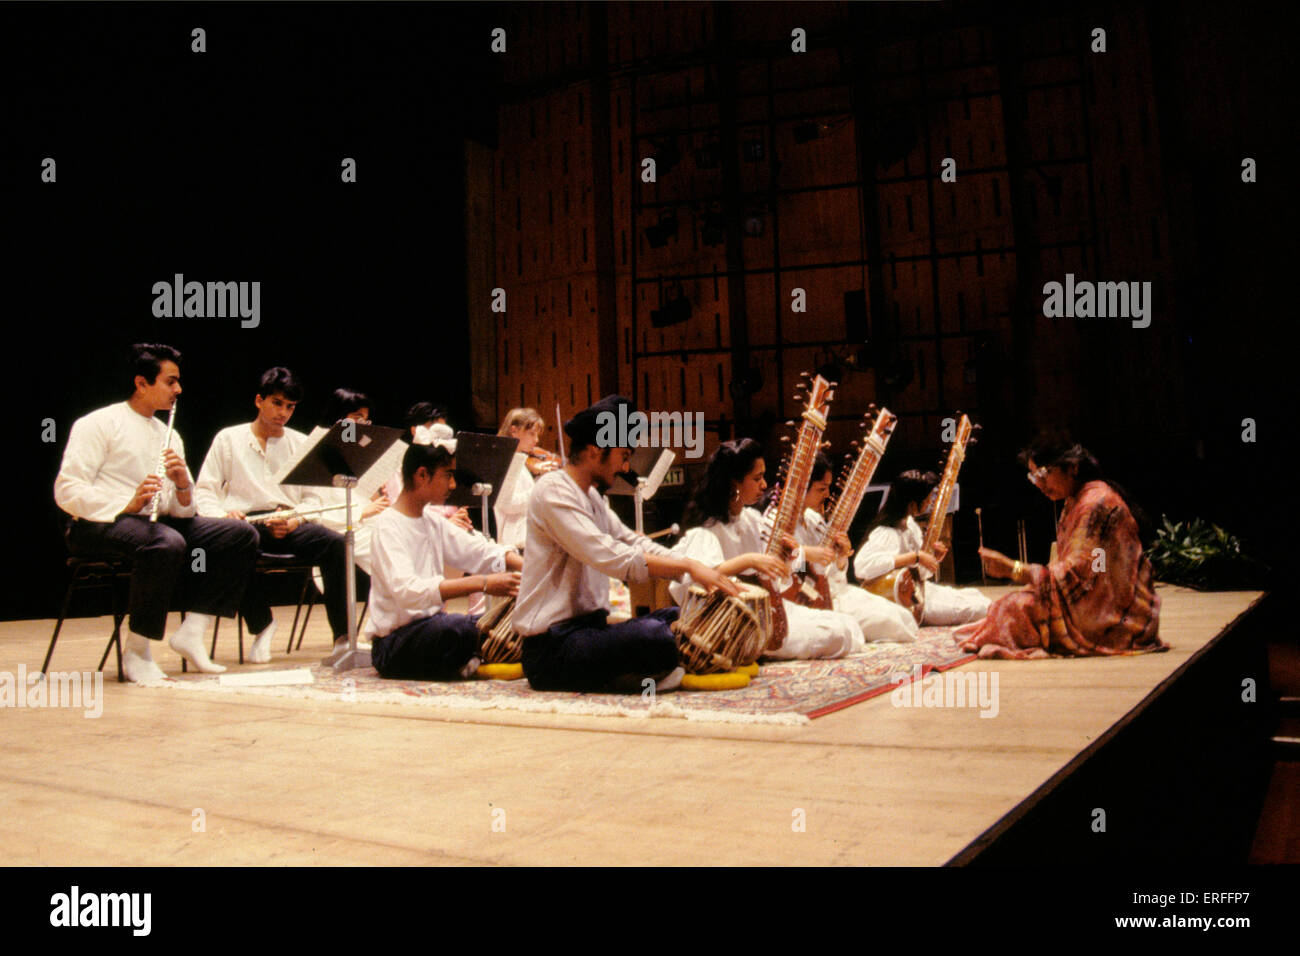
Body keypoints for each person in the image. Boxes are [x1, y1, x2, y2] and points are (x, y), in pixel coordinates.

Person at [54, 343, 258, 681]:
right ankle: (137, 650)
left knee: (239, 534)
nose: (178, 389)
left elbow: (182, 512)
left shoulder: (169, 435)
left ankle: (192, 632)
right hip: (95, 523)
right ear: (141, 383)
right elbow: (67, 490)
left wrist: (181, 485)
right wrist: (125, 505)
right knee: (166, 543)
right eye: (171, 381)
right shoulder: (98, 423)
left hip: (154, 526)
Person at [513, 395, 739, 692]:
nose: (625, 466)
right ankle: (644, 674)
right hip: (551, 649)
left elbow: (632, 542)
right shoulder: (552, 490)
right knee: (653, 637)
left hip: (587, 633)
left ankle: (640, 673)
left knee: (679, 617)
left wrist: (698, 567)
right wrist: (687, 566)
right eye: (623, 454)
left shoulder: (592, 496)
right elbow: (612, 556)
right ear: (595, 451)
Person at [954, 433, 1165, 659]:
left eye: (1044, 474)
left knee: (1013, 608)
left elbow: (1081, 573)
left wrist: (1014, 569)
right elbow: (1082, 570)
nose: (1040, 485)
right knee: (1007, 606)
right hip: (1094, 598)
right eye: (1034, 477)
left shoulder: (1096, 503)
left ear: (1072, 467)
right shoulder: (1077, 500)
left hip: (1115, 614)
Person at [194, 367, 350, 662]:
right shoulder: (228, 438)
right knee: (234, 543)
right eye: (277, 403)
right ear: (259, 400)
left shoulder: (301, 442)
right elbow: (204, 490)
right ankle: (263, 624)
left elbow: (314, 497)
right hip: (245, 524)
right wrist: (223, 515)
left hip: (288, 522)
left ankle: (343, 638)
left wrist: (295, 519)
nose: (284, 412)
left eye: (290, 406)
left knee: (336, 544)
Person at [671, 439, 867, 660]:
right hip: (736, 624)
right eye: (757, 478)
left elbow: (778, 578)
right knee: (836, 635)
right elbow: (695, 581)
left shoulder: (753, 520)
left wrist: (786, 559)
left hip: (770, 608)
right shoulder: (706, 529)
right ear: (734, 483)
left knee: (847, 624)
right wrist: (750, 561)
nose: (765, 485)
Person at [367, 437, 524, 680]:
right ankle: (468, 660)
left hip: (430, 630)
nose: (453, 484)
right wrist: (483, 584)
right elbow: (408, 592)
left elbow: (480, 551)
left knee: (498, 621)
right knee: (456, 628)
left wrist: (528, 568)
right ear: (422, 475)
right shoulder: (388, 526)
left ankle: (466, 661)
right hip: (395, 644)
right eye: (447, 475)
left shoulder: (432, 522)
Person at [793, 454, 920, 642]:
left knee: (902, 615)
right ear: (802, 487)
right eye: (821, 489)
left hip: (835, 592)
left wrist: (841, 558)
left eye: (828, 488)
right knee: (890, 623)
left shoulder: (814, 520)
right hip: (808, 600)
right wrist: (805, 554)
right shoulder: (780, 524)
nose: (827, 495)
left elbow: (834, 574)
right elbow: (787, 573)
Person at [854, 469, 991, 625]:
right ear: (912, 504)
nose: (930, 502)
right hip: (903, 604)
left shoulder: (911, 525)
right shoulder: (886, 532)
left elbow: (921, 575)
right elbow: (861, 567)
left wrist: (933, 559)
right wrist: (915, 557)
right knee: (980, 608)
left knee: (975, 595)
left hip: (920, 592)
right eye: (927, 499)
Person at [493, 407, 554, 550]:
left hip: (524, 537)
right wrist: (539, 487)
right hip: (515, 542)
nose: (536, 440)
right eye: (531, 434)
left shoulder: (517, 459)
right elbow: (508, 504)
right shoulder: (506, 460)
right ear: (513, 431)